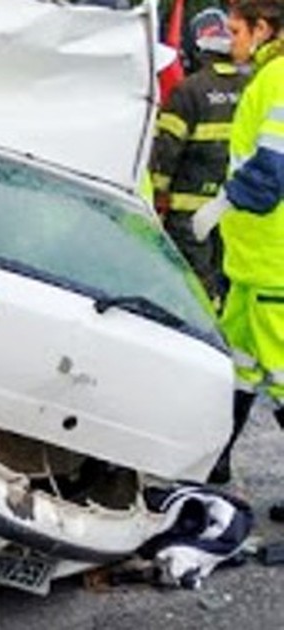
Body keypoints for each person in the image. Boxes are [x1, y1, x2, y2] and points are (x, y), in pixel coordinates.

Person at [192, 0, 284, 487]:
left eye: (236, 30)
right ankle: (215, 463)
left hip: (274, 265)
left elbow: (271, 174)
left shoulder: (279, 78)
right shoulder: (268, 77)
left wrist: (219, 206)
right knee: (242, 370)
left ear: (262, 28)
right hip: (254, 265)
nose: (230, 40)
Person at [150, 8, 250, 299]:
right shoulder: (251, 87)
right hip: (232, 211)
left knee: (191, 293)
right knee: (224, 286)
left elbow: (164, 156)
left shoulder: (189, 91)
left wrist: (155, 199)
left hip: (188, 214)